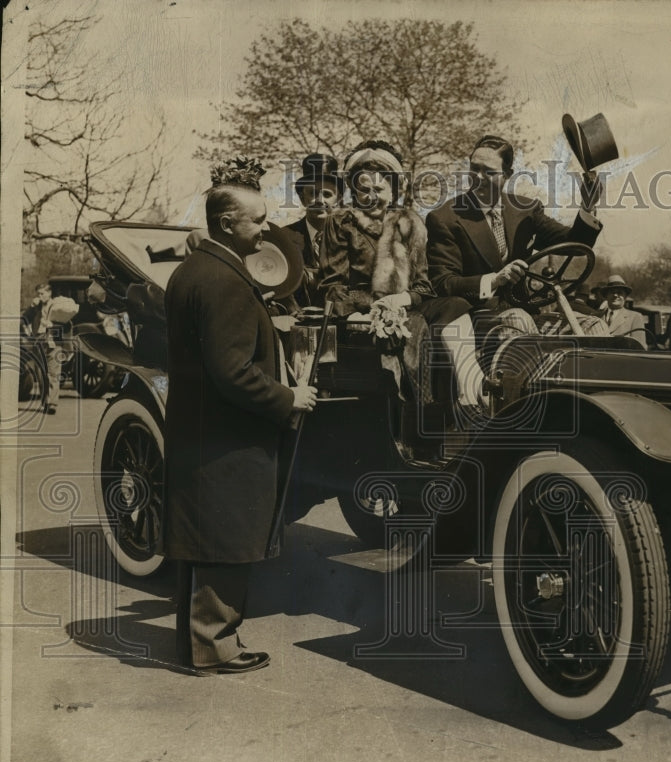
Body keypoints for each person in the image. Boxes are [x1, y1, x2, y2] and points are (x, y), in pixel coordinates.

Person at [164, 157, 317, 675]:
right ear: (228, 224)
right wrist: (286, 397)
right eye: (257, 221)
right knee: (225, 540)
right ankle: (215, 648)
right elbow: (230, 370)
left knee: (203, 539)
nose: (265, 229)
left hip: (202, 432)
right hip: (228, 438)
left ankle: (197, 646)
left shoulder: (194, 270)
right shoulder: (225, 280)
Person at [317, 140, 485, 413]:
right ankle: (419, 413)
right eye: (363, 190)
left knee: (454, 305)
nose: (371, 196)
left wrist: (401, 300)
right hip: (360, 307)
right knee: (414, 326)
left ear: (393, 189)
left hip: (405, 302)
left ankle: (472, 390)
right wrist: (372, 306)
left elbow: (423, 285)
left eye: (379, 189)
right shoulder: (340, 222)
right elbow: (332, 285)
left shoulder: (411, 222)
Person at [425, 134, 604, 337]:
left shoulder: (526, 211)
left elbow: (576, 245)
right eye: (474, 169)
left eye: (489, 172)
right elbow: (443, 283)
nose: (479, 178)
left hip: (526, 316)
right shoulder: (445, 218)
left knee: (593, 326)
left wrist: (588, 206)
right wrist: (494, 280)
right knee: (517, 320)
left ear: (507, 174)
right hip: (476, 320)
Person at [281, 153, 343, 309]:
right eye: (313, 193)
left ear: (338, 200)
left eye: (327, 194)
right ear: (303, 199)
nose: (320, 200)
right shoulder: (284, 238)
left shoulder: (348, 239)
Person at [21, 282, 72, 414]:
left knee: (53, 374)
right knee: (41, 374)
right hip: (39, 343)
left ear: (49, 293)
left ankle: (53, 404)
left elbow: (67, 326)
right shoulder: (36, 308)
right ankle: (46, 402)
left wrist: (52, 325)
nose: (40, 296)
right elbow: (24, 319)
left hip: (54, 343)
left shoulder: (57, 307)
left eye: (42, 293)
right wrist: (31, 307)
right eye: (38, 294)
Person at [597, 274, 648, 348]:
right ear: (606, 295)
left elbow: (640, 348)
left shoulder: (635, 317)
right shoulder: (597, 317)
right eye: (612, 292)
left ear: (625, 297)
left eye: (619, 292)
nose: (615, 295)